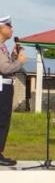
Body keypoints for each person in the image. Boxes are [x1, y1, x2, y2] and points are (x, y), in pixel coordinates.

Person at [0, 16, 26, 166]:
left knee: (3, 120)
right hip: (1, 88)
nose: (12, 29)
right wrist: (20, 62)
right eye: (9, 26)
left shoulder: (3, 47)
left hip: (5, 87)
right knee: (2, 120)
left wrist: (14, 57)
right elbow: (4, 69)